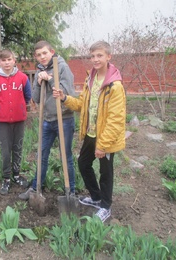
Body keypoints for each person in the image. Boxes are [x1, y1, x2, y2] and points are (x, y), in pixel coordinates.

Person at [53, 41, 126, 222]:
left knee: (106, 172)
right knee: (83, 163)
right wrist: (64, 98)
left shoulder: (114, 86)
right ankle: (96, 197)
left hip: (106, 138)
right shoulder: (90, 79)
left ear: (109, 57)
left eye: (99, 55)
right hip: (91, 133)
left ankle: (106, 206)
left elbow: (115, 120)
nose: (95, 59)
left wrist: (103, 145)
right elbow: (82, 105)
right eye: (92, 56)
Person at [19, 40, 76, 200]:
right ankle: (35, 188)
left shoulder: (63, 68)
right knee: (41, 154)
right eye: (38, 55)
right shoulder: (39, 71)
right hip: (47, 119)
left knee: (66, 155)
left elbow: (66, 92)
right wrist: (38, 82)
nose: (42, 57)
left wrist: (50, 79)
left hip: (64, 118)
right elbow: (36, 98)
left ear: (52, 51)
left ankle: (70, 191)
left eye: (44, 53)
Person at [0, 49, 32, 195]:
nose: (7, 63)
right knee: (6, 151)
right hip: (3, 121)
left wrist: (19, 108)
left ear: (14, 60)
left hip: (19, 120)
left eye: (9, 60)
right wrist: (1, 109)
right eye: (3, 60)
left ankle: (17, 175)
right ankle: (6, 179)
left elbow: (27, 96)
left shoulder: (23, 78)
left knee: (17, 147)